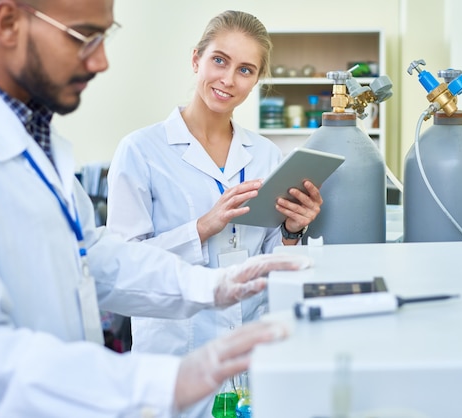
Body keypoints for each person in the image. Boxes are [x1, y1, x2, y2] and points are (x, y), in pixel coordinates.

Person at [0, 1, 312, 417]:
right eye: (84, 37)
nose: (100, 60)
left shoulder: (35, 141)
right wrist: (160, 381)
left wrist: (215, 286)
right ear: (8, 23)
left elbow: (95, 256)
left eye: (105, 37)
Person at [106, 10, 323, 417]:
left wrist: (293, 230)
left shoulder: (265, 154)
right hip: (175, 352)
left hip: (248, 351)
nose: (228, 79)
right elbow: (122, 266)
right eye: (219, 61)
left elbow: (270, 256)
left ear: (256, 80)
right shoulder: (141, 151)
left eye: (245, 69)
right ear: (196, 60)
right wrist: (202, 227)